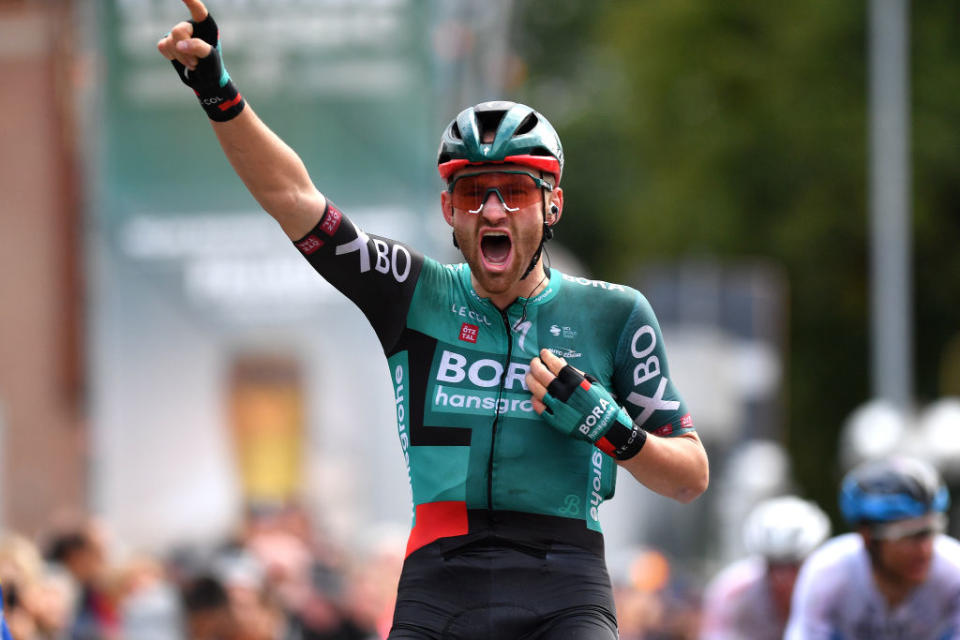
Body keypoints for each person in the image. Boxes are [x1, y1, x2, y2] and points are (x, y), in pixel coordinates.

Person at [157, 2, 709, 637]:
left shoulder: (614, 313)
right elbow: (293, 198)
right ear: (449, 208)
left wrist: (610, 428)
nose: (494, 211)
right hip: (440, 582)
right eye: (474, 193)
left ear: (552, 205)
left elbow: (690, 478)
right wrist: (217, 91)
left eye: (518, 191)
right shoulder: (412, 293)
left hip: (565, 583)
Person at [785, 456, 960, 639]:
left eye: (931, 531)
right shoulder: (828, 571)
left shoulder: (954, 569)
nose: (925, 549)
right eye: (909, 536)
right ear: (868, 537)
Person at [699, 495, 830, 640]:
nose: (782, 580)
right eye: (773, 567)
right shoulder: (733, 592)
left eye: (793, 566)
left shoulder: (833, 587)